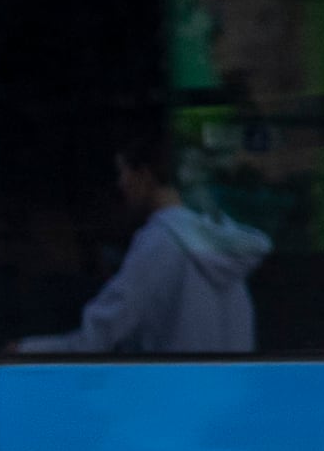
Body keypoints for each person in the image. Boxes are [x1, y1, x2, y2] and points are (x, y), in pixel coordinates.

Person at [17, 141, 268, 353]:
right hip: (227, 399)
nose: (120, 184)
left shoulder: (160, 241)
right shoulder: (216, 239)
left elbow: (103, 333)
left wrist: (25, 351)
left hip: (176, 398)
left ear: (145, 175)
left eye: (122, 171)